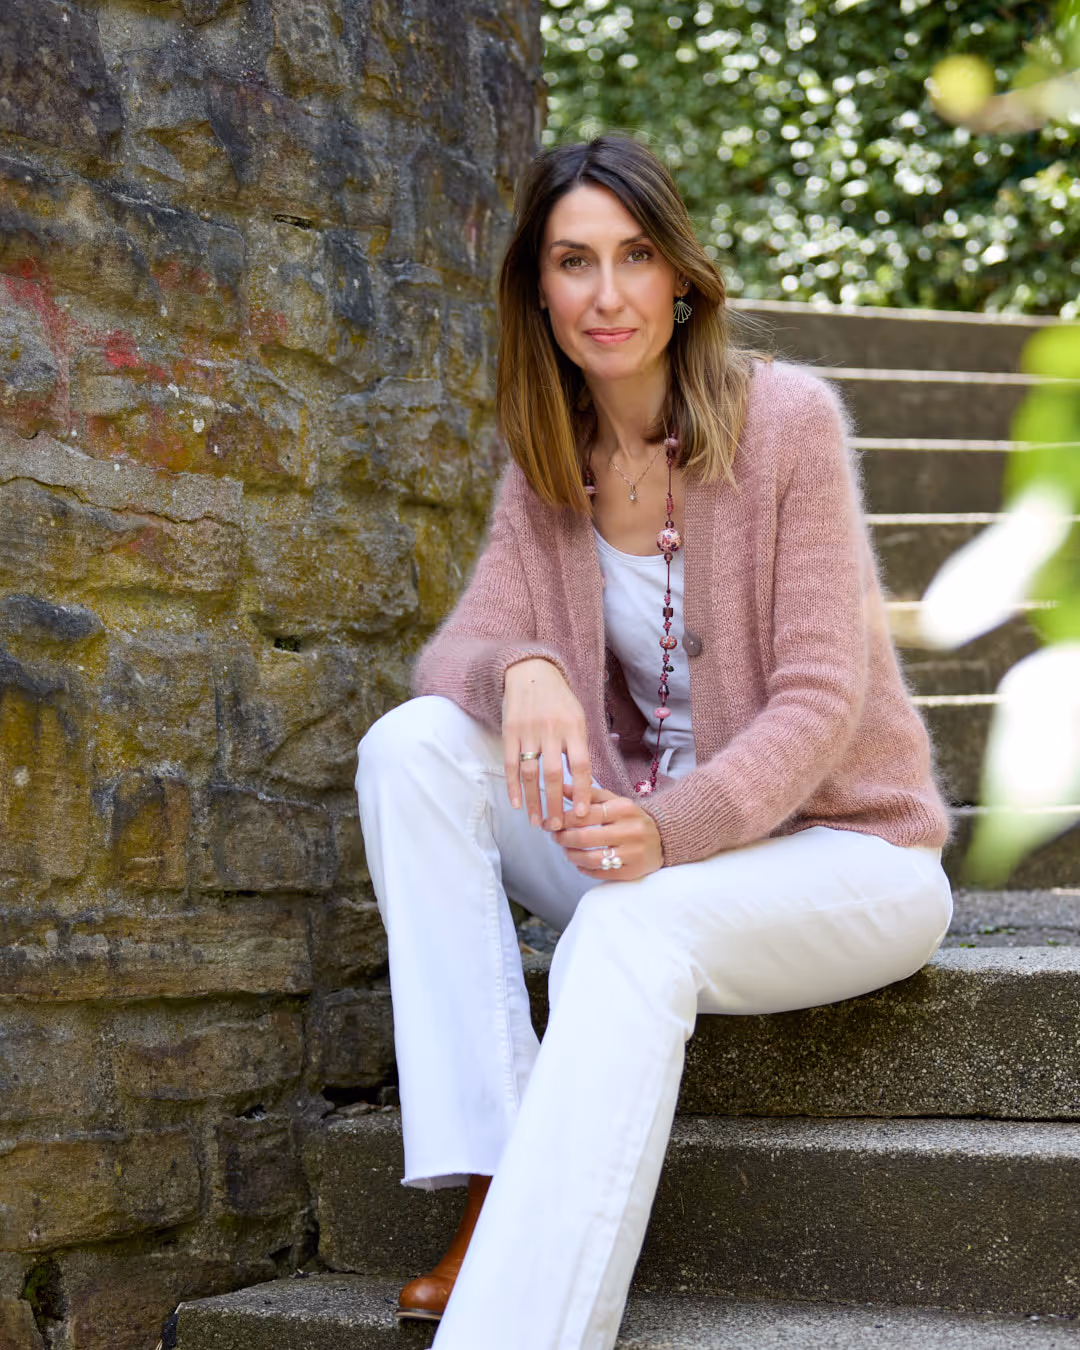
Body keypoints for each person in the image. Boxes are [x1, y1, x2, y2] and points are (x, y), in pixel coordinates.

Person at [354, 134, 954, 1350]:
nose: (608, 293)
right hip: (642, 842)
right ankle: (498, 1172)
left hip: (843, 854)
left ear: (681, 279)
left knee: (626, 930)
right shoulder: (551, 460)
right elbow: (451, 658)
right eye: (575, 263)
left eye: (634, 257)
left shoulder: (787, 420)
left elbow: (821, 694)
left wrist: (667, 831)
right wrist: (522, 664)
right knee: (412, 745)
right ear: (541, 291)